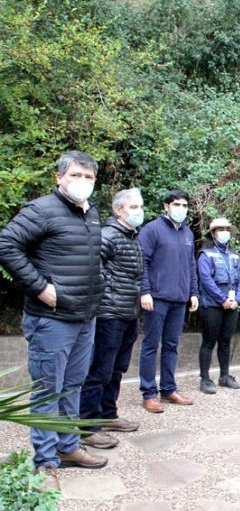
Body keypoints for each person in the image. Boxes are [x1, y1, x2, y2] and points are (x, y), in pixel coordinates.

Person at [0, 150, 108, 489]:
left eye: (89, 177)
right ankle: (44, 461)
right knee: (48, 390)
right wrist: (39, 287)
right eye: (76, 175)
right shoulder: (41, 210)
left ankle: (68, 446)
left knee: (72, 385)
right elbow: (6, 245)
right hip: (52, 319)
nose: (83, 182)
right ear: (59, 177)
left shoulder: (90, 213)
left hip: (84, 316)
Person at [79, 188, 145, 450]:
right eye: (133, 207)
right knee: (99, 370)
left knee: (118, 368)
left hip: (129, 312)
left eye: (140, 207)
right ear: (118, 210)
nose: (139, 212)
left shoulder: (132, 237)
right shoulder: (107, 236)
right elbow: (93, 270)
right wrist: (109, 293)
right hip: (109, 314)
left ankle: (108, 414)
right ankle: (87, 426)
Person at [138, 190, 198, 412]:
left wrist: (194, 293)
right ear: (166, 206)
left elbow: (191, 265)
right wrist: (144, 291)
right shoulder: (152, 230)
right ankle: (149, 393)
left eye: (184, 205)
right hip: (157, 298)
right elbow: (141, 262)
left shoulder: (188, 233)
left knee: (172, 345)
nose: (181, 209)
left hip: (179, 300)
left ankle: (168, 389)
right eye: (176, 204)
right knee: (151, 345)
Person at [198, 218, 240, 393]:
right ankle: (205, 379)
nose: (225, 232)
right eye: (220, 229)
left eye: (227, 229)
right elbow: (206, 280)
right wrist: (222, 300)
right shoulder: (205, 255)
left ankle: (224, 376)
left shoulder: (234, 256)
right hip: (211, 305)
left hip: (232, 305)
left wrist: (236, 300)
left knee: (225, 342)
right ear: (213, 233)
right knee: (209, 342)